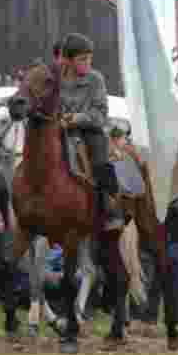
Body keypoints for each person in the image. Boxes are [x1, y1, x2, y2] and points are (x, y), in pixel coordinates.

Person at [59, 32, 122, 231]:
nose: (87, 63)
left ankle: (111, 209)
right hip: (60, 130)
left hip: (90, 130)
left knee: (99, 161)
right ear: (68, 60)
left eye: (89, 59)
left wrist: (75, 119)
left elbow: (100, 112)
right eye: (82, 59)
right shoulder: (55, 80)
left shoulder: (96, 79)